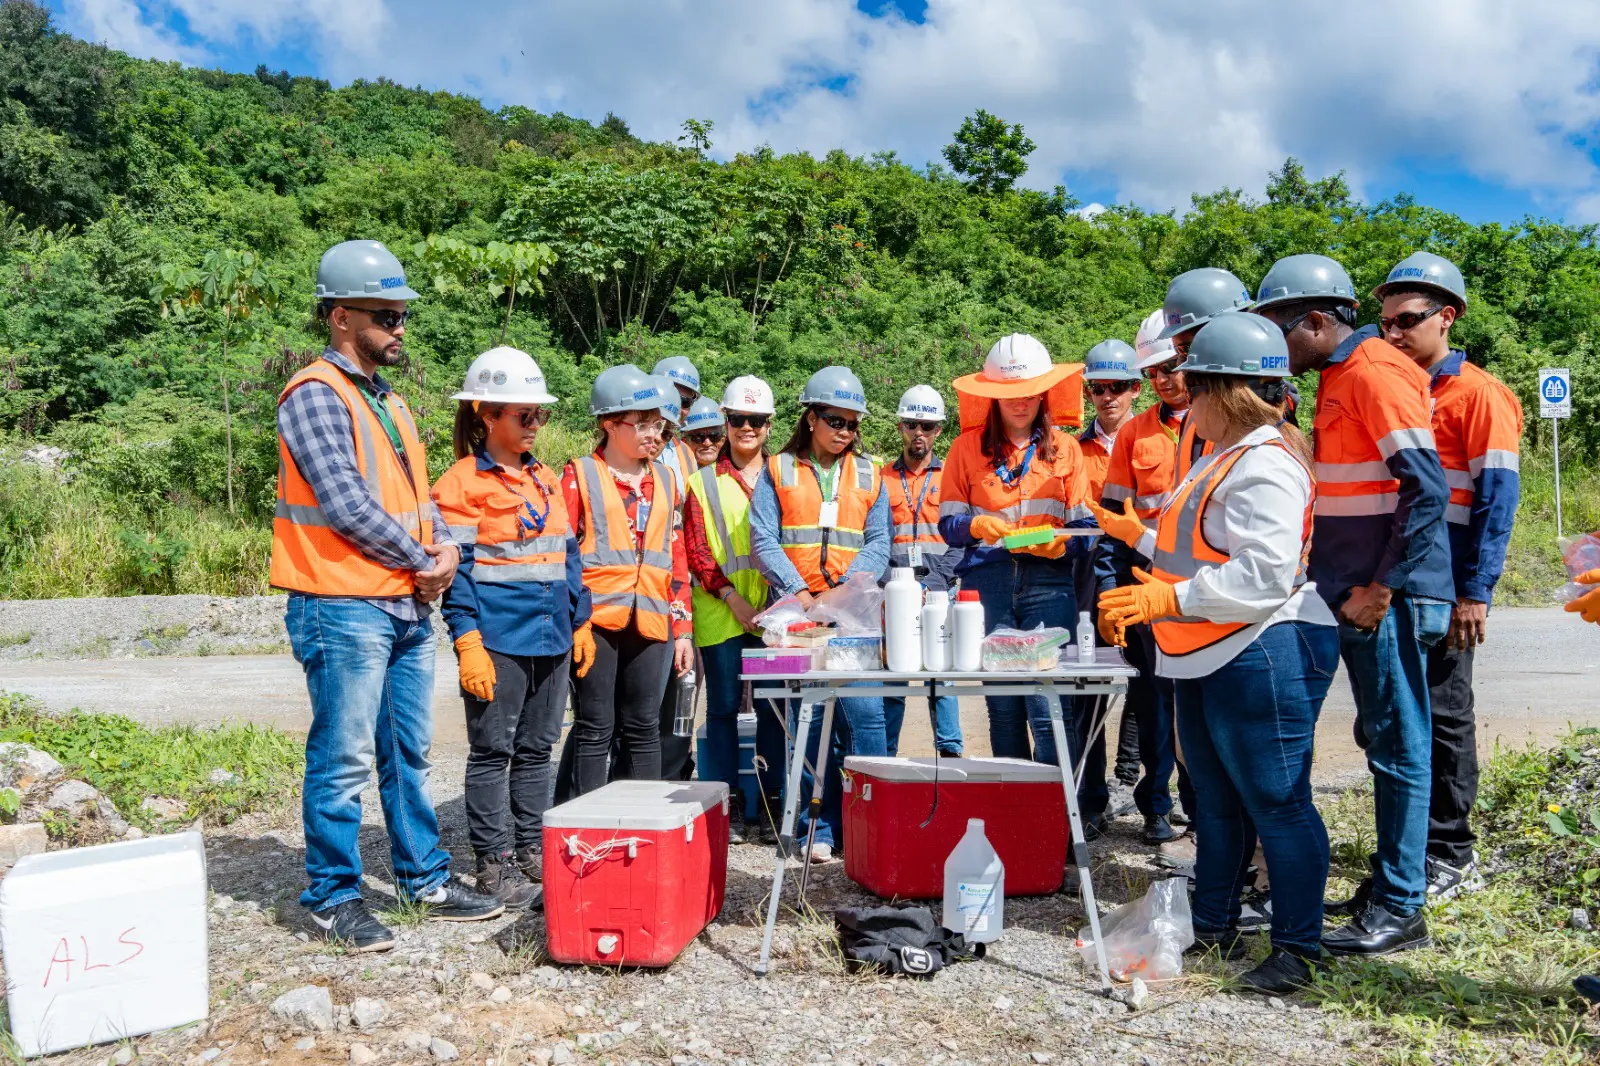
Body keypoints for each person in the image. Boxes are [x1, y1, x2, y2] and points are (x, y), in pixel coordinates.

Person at [1092, 312, 1339, 995]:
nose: (1178, 396)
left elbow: (1264, 573)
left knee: (1277, 804)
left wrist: (1163, 602)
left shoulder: (1264, 464)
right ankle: (1214, 922)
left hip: (1254, 651)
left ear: (1222, 391)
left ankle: (1298, 947)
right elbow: (1198, 550)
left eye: (1189, 384)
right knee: (1219, 807)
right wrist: (1137, 537)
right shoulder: (1222, 455)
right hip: (1203, 654)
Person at [272, 240, 501, 951]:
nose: (399, 327)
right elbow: (345, 504)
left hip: (402, 600)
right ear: (341, 317)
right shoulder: (315, 393)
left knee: (409, 751)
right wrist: (428, 564)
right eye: (385, 314)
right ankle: (332, 897)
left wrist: (446, 550)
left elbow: (414, 499)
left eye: (403, 314)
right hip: (342, 603)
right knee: (342, 756)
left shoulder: (388, 399)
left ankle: (422, 879)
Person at [1251, 253, 1453, 957]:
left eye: (1278, 331)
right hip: (1350, 589)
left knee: (1399, 746)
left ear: (1313, 321)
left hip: (1382, 595)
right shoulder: (1341, 375)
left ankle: (1402, 906)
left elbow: (1424, 487)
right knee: (1382, 740)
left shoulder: (1372, 372)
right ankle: (1388, 889)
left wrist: (1380, 586)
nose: (1272, 349)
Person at [1373, 251, 1523, 900]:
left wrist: (1474, 593)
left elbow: (1497, 501)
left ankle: (1453, 853)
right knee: (1402, 719)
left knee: (1446, 713)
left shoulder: (1480, 396)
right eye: (1385, 323)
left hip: (1449, 584)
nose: (1393, 333)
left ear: (1448, 318)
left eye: (1407, 320)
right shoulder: (1396, 391)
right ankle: (1413, 848)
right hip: (1400, 580)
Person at [432, 347, 590, 909]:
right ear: (486, 414)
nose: (534, 426)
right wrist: (467, 639)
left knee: (536, 750)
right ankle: (493, 865)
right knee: (493, 751)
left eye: (540, 416)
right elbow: (457, 573)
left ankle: (531, 851)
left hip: (552, 637)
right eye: (524, 415)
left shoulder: (545, 479)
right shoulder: (459, 483)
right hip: (497, 638)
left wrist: (583, 622)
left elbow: (567, 558)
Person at [749, 366, 891, 863]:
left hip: (852, 615)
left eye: (853, 423)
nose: (844, 431)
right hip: (798, 616)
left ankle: (871, 822)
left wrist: (846, 591)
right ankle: (820, 827)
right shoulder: (777, 470)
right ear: (810, 418)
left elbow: (879, 542)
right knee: (808, 724)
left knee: (866, 720)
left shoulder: (872, 472)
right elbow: (763, 536)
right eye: (835, 419)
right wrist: (800, 592)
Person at [938, 334, 1093, 768]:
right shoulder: (964, 448)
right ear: (991, 397)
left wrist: (1058, 546)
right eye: (1009, 395)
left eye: (1028, 393)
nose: (1020, 403)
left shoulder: (1067, 449)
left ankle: (1059, 817)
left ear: (1044, 392)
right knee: (1003, 709)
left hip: (1049, 583)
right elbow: (949, 525)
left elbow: (1086, 531)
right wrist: (977, 525)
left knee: (1049, 710)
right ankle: (1014, 811)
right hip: (987, 583)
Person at [560, 365, 695, 796]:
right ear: (608, 423)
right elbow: (561, 556)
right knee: (595, 726)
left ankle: (644, 827)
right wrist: (573, 623)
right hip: (595, 621)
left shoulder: (668, 480)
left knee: (645, 727)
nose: (652, 434)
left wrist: (684, 631)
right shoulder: (579, 475)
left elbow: (677, 562)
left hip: (654, 623)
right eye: (640, 424)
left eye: (657, 424)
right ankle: (585, 827)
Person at [1094, 311, 1197, 845]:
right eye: (1153, 372)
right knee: (1155, 705)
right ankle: (1155, 805)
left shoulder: (1222, 424)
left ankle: (1205, 811)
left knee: (1200, 706)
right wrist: (1113, 598)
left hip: (1207, 591)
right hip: (1148, 590)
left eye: (1171, 367)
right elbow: (1114, 524)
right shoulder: (1135, 433)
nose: (1163, 379)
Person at [683, 375, 784, 844]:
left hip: (775, 613)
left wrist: (774, 600)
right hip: (721, 610)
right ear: (726, 421)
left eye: (757, 420)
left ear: (768, 425)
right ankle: (725, 803)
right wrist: (733, 598)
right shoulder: (701, 481)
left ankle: (769, 800)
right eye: (739, 419)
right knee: (723, 709)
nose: (748, 427)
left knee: (773, 709)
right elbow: (698, 552)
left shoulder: (785, 474)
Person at [1076, 339, 1143, 813]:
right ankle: (1092, 794)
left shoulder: (1156, 438)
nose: (1108, 396)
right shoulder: (1072, 448)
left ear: (1136, 389)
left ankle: (1133, 779)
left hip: (1144, 567)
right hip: (1086, 570)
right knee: (1091, 677)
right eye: (1098, 388)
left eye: (1117, 386)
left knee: (1148, 679)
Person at [882, 385, 963, 758]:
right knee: (893, 674)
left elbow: (963, 538)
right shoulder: (881, 479)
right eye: (913, 424)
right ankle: (884, 754)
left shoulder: (952, 476)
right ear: (901, 426)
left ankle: (949, 753)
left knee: (941, 675)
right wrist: (886, 580)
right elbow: (874, 536)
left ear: (939, 431)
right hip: (893, 589)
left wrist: (939, 579)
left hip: (939, 588)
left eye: (927, 426)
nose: (919, 432)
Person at [652, 356, 702, 501]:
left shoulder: (686, 454)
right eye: (670, 396)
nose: (676, 406)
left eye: (685, 402)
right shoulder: (625, 441)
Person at [683, 398, 728, 467]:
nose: (707, 443)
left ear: (723, 440)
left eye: (714, 436)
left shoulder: (737, 469)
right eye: (699, 437)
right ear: (685, 442)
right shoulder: (676, 472)